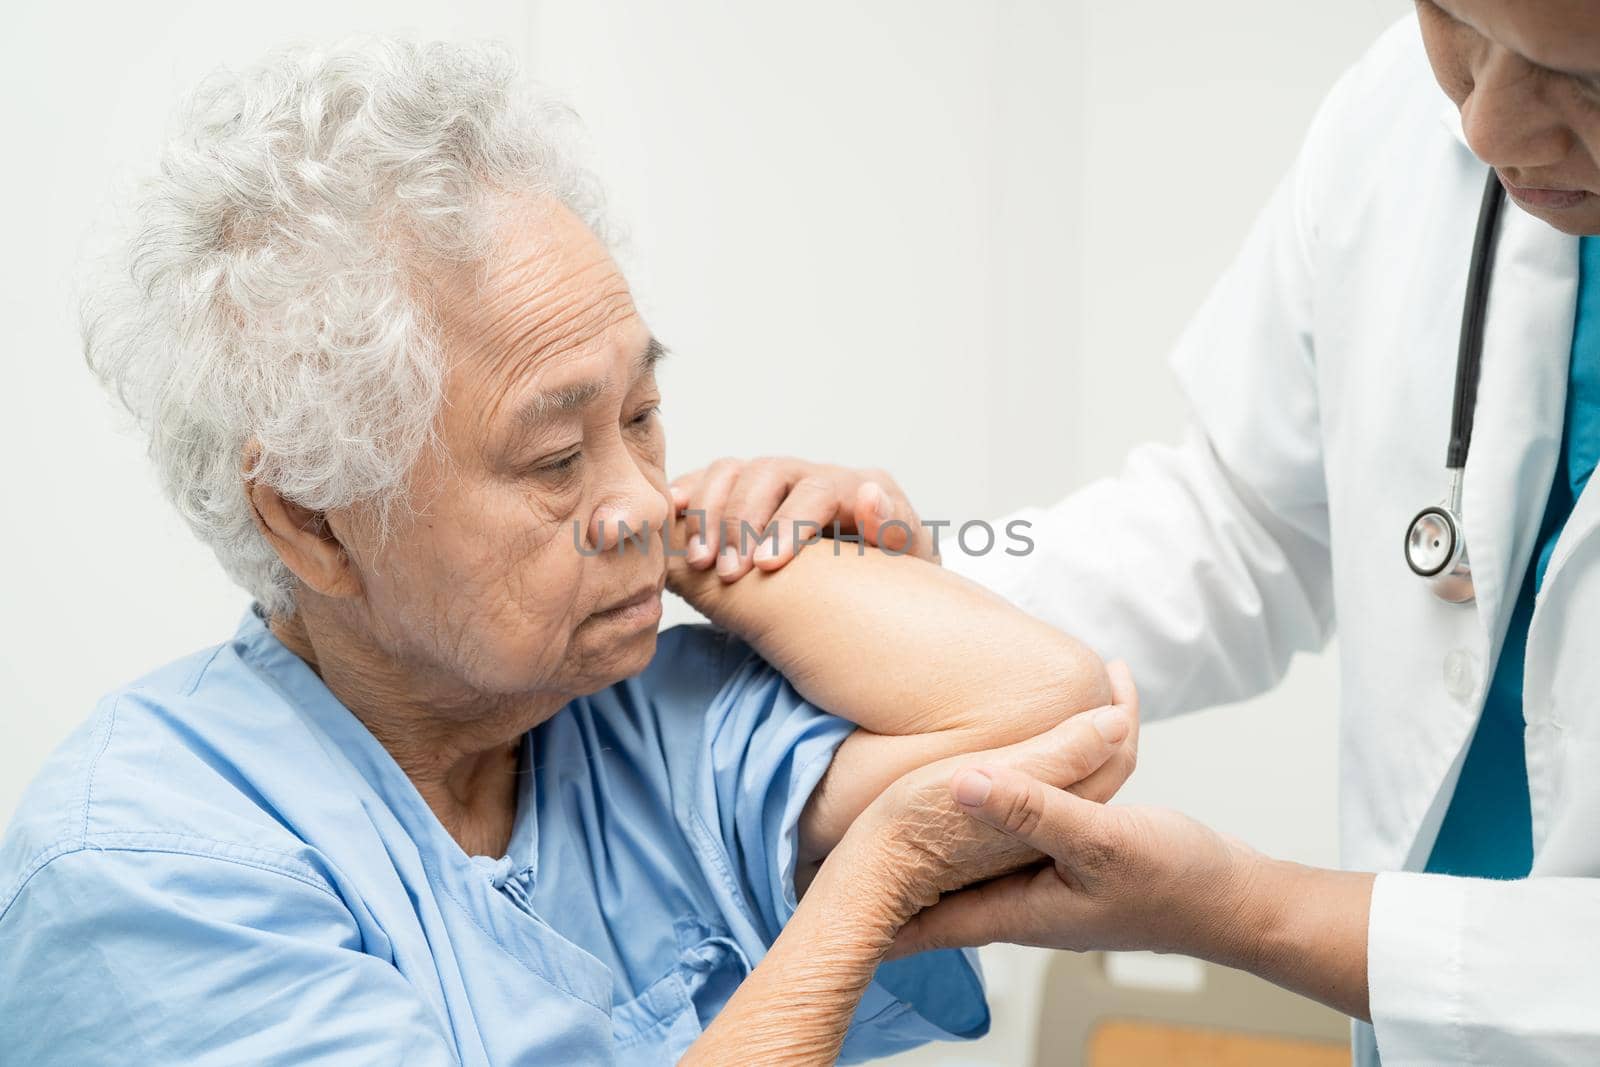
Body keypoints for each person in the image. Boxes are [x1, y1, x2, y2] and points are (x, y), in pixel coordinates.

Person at [0, 38, 1139, 1065]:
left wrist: (719, 540)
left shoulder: (628, 712)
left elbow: (1054, 717)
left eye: (642, 414)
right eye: (554, 457)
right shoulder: (148, 865)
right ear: (313, 518)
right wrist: (867, 884)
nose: (635, 497)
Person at [677, 2, 1600, 1062]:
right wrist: (922, 598)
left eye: (1578, 77)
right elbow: (1238, 516)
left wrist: (1249, 910)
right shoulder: (1391, 119)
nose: (1484, 124)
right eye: (1454, 19)